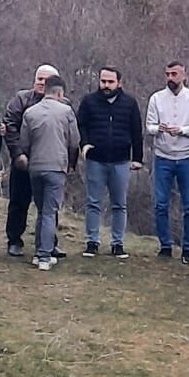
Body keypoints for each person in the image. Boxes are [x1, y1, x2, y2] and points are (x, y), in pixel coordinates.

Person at [145, 60, 189, 263]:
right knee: (161, 204)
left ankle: (188, 248)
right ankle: (165, 245)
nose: (171, 78)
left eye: (174, 74)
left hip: (187, 157)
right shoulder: (156, 98)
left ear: (184, 76)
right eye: (168, 74)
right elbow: (149, 126)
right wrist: (160, 129)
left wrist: (182, 130)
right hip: (163, 157)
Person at [16, 72, 81, 268]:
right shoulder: (66, 112)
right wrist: (71, 163)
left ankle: (39, 250)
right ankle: (44, 255)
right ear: (60, 93)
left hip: (35, 167)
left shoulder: (30, 112)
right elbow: (75, 141)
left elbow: (24, 143)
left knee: (41, 209)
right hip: (56, 166)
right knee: (50, 211)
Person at [77, 65, 142, 258]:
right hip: (95, 159)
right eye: (103, 81)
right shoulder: (89, 102)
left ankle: (117, 243)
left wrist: (137, 158)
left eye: (110, 82)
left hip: (121, 160)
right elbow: (80, 125)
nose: (106, 85)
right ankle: (92, 242)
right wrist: (85, 144)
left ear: (119, 83)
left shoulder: (129, 103)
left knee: (119, 204)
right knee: (93, 202)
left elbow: (136, 132)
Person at [1, 65, 54, 256]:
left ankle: (48, 243)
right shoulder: (21, 99)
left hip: (49, 161)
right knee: (18, 201)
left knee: (49, 205)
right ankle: (14, 240)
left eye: (47, 79)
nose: (42, 83)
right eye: (39, 78)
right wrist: (17, 154)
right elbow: (10, 126)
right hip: (24, 161)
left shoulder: (63, 103)